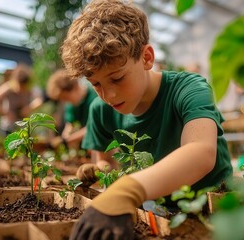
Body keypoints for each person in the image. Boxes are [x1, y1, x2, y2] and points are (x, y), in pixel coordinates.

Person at [60, 0, 233, 239]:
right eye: (96, 84)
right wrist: (98, 171)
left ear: (146, 57)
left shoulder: (189, 88)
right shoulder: (99, 110)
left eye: (117, 78)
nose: (108, 95)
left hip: (216, 210)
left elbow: (201, 152)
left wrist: (128, 190)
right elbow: (106, 163)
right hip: (160, 213)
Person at [46, 68, 97, 149]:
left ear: (75, 87)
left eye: (65, 97)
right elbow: (70, 125)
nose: (65, 101)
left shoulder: (94, 97)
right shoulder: (71, 105)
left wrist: (67, 141)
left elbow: (94, 128)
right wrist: (64, 138)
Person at [0, 63, 44, 136]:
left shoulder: (31, 88)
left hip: (23, 127)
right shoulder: (9, 86)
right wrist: (6, 113)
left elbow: (39, 101)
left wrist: (28, 108)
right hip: (8, 126)